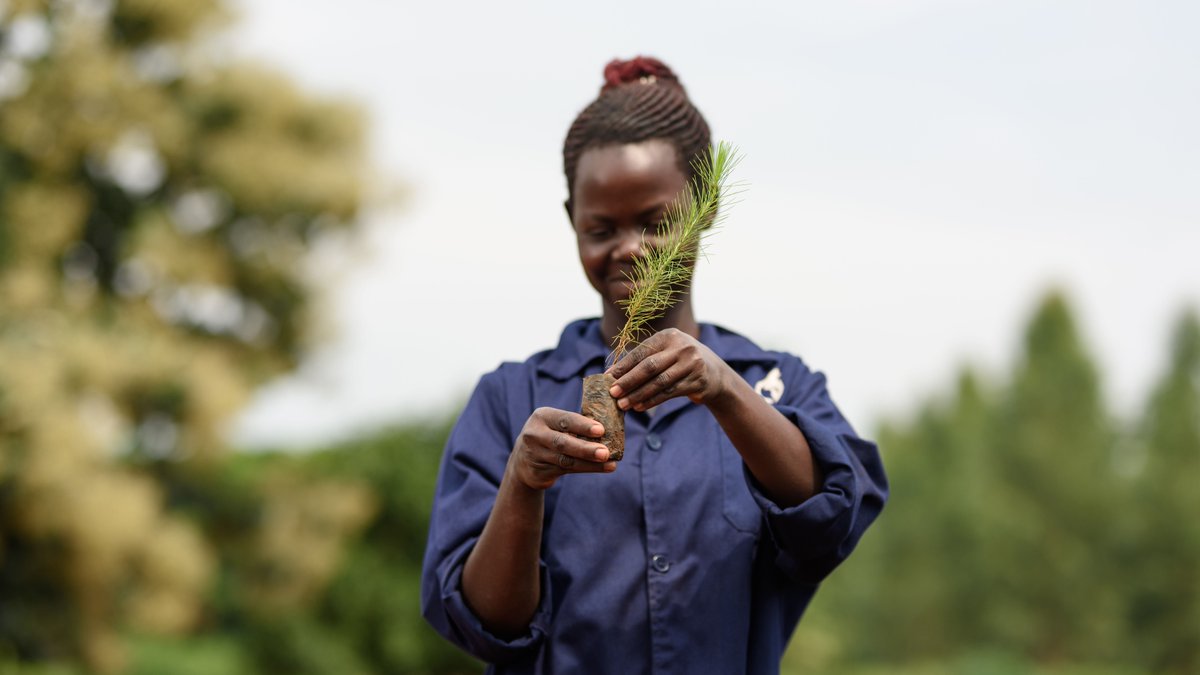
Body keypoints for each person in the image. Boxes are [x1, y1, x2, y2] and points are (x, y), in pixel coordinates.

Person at [421, 56, 888, 674]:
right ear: (572, 223)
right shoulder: (512, 399)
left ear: (706, 207)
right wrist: (522, 484)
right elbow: (485, 623)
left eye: (655, 222)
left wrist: (722, 388)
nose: (629, 248)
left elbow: (829, 522)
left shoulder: (774, 386)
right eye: (600, 228)